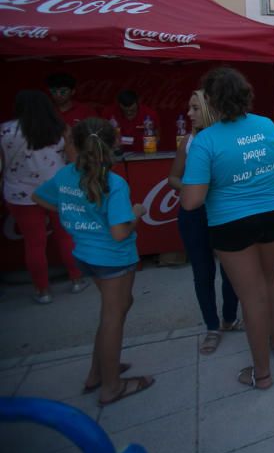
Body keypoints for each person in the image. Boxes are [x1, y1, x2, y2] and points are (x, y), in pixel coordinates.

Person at [180, 67, 274, 389]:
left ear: (211, 101)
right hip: (273, 214)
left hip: (231, 223)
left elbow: (191, 201)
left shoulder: (206, 141)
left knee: (250, 297)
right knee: (270, 281)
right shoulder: (267, 125)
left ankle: (262, 374)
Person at [33, 117, 154, 405]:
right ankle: (111, 386)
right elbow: (119, 230)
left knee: (118, 308)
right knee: (113, 317)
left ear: (74, 144)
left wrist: (71, 214)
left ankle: (98, 372)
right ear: (113, 144)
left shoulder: (66, 176)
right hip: (113, 258)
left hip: (86, 255)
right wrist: (137, 212)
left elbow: (39, 197)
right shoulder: (114, 183)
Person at [168, 90, 238, 354]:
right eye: (190, 108)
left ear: (210, 110)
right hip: (194, 214)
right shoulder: (188, 140)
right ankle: (212, 326)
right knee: (203, 271)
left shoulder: (229, 137)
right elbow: (172, 178)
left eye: (195, 108)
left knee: (232, 269)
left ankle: (230, 319)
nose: (189, 114)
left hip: (224, 212)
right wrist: (195, 187)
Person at [1, 90, 86, 303]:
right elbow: (74, 162)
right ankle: (76, 279)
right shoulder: (60, 129)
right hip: (57, 191)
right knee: (66, 237)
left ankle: (43, 290)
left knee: (34, 244)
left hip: (21, 195)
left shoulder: (5, 131)